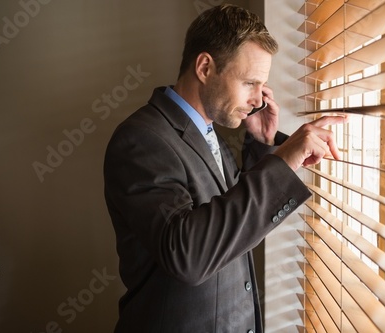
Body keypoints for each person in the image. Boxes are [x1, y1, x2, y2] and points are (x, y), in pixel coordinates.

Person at [103, 4, 345, 333]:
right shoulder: (141, 139)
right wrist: (283, 160)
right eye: (250, 83)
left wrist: (265, 143)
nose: (259, 100)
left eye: (262, 86)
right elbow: (187, 253)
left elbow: (228, 225)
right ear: (205, 67)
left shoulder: (208, 132)